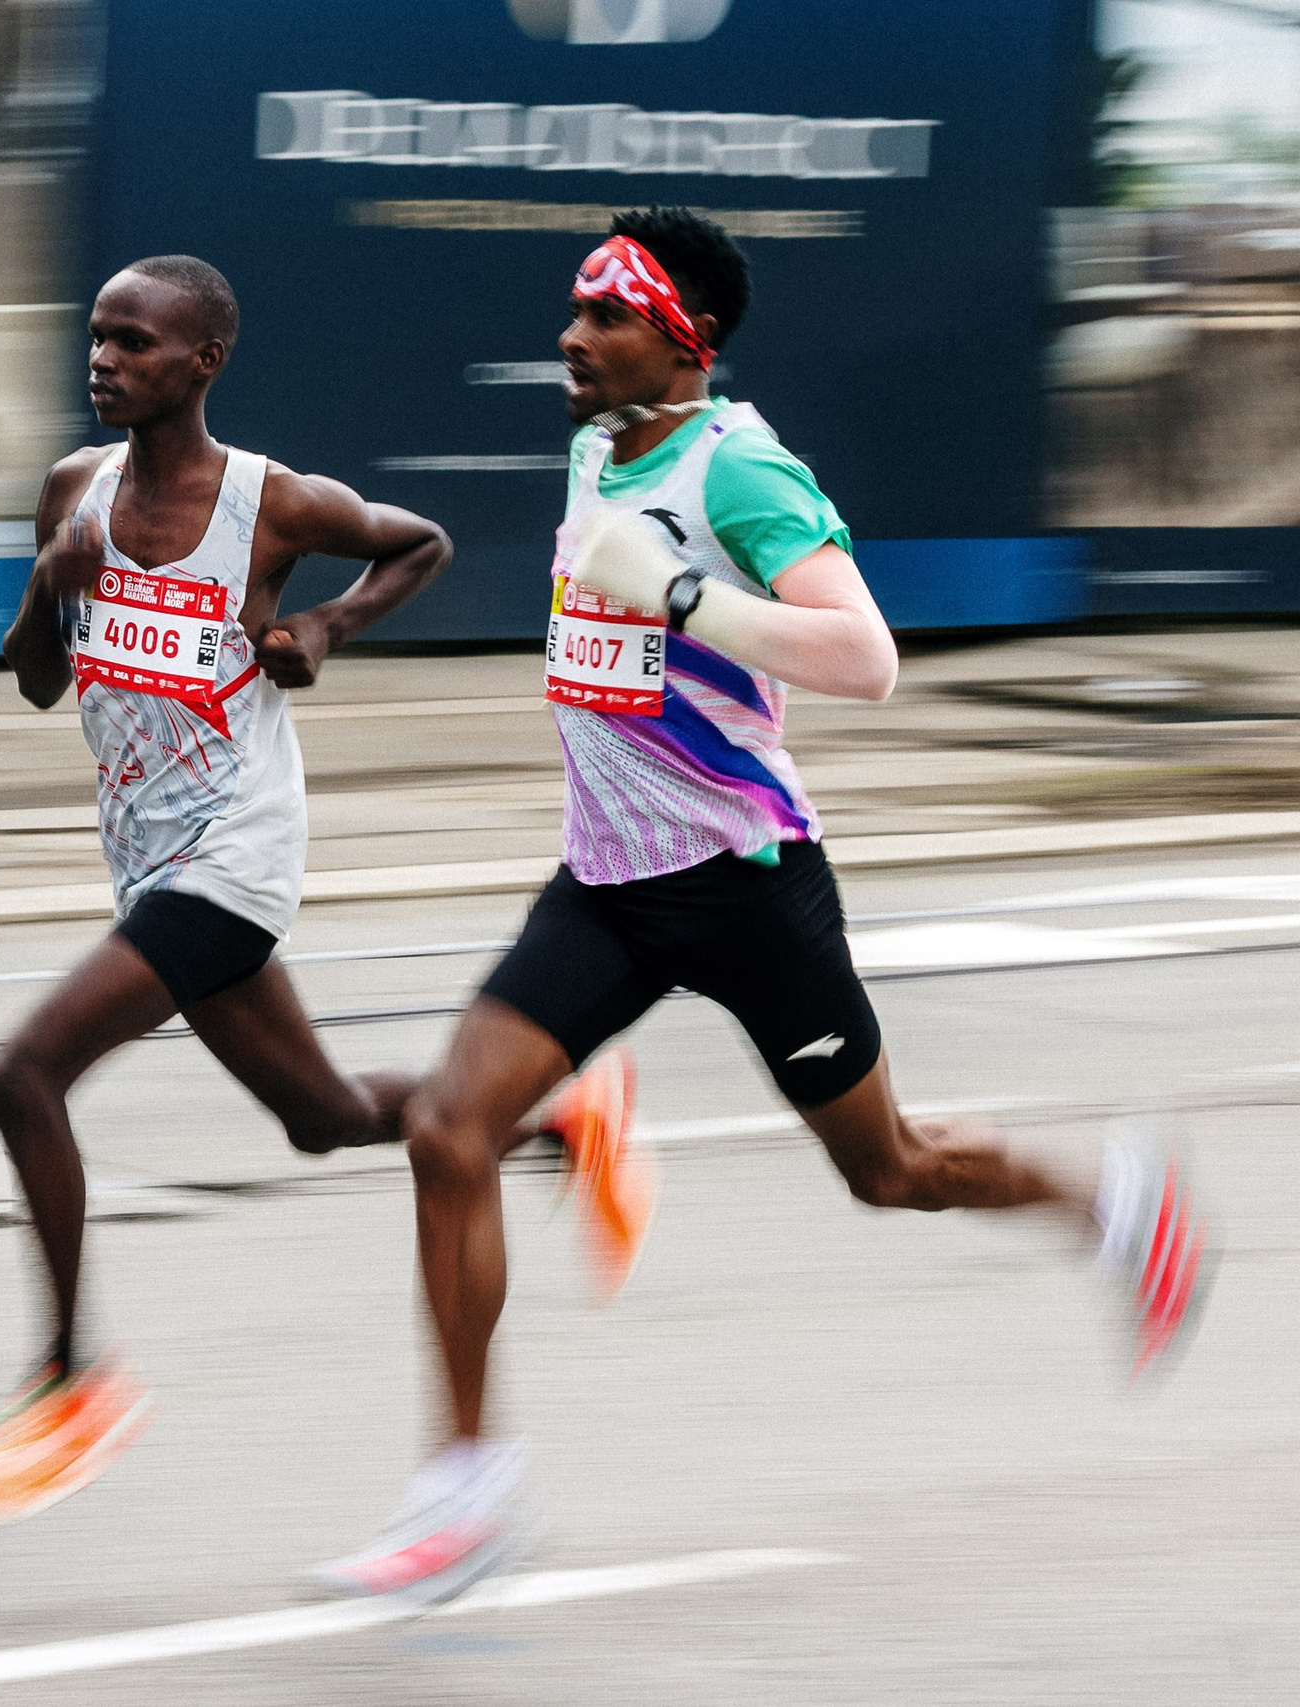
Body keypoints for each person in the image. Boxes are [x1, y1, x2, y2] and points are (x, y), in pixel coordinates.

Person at [314, 208, 1213, 1603]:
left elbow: (867, 658)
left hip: (744, 889)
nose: (571, 335)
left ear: (688, 339)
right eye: (574, 310)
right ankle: (469, 1487)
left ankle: (1116, 1209)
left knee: (888, 1170)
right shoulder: (598, 443)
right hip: (606, 883)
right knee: (447, 1126)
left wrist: (680, 593)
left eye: (606, 316)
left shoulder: (741, 467)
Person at [0, 254, 470, 1522]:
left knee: (20, 1077)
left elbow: (421, 543)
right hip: (145, 858)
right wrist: (48, 589)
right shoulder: (73, 491)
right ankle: (546, 1116)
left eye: (134, 341)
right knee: (322, 1117)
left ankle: (67, 1387)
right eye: (97, 337)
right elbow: (37, 682)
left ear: (203, 362)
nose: (103, 359)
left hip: (236, 848)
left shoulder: (272, 504)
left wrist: (323, 627)